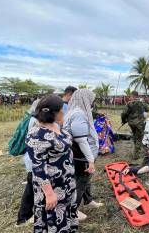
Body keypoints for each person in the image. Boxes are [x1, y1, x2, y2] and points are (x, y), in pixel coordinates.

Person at [26, 95, 78, 232]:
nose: (64, 112)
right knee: (55, 218)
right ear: (53, 112)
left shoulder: (56, 124)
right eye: (62, 110)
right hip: (52, 186)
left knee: (66, 213)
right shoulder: (36, 135)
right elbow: (38, 168)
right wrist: (49, 194)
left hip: (66, 181)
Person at [64, 89, 103, 222]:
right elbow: (81, 140)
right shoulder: (79, 114)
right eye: (91, 99)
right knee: (80, 181)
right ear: (85, 99)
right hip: (81, 156)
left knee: (85, 179)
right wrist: (91, 160)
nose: (92, 102)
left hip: (78, 154)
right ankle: (72, 211)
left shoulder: (73, 111)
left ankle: (88, 200)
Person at [15, 99, 40, 227]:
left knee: (31, 188)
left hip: (31, 159)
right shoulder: (36, 121)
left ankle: (25, 216)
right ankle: (22, 218)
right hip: (33, 160)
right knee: (30, 189)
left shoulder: (31, 118)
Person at [121, 90, 149, 160]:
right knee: (139, 138)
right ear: (137, 96)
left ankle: (136, 150)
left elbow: (123, 114)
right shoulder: (142, 103)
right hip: (140, 124)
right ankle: (136, 155)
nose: (130, 97)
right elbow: (148, 109)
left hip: (132, 123)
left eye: (130, 96)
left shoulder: (129, 104)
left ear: (132, 96)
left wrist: (123, 121)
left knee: (135, 136)